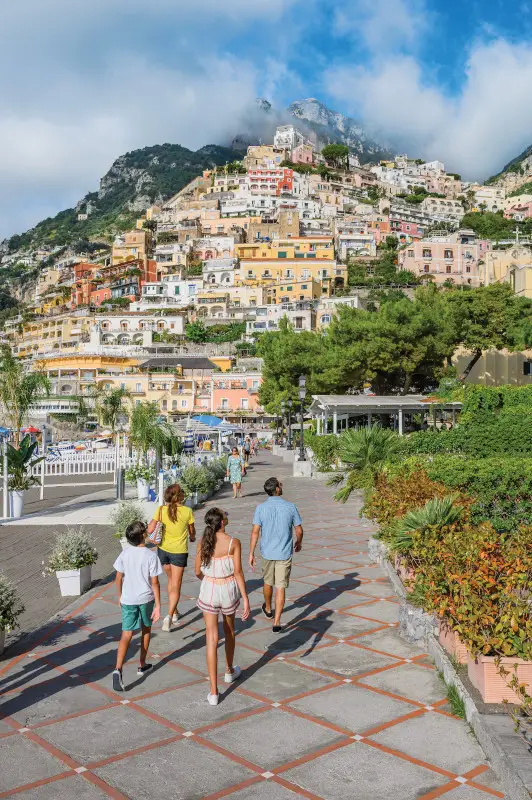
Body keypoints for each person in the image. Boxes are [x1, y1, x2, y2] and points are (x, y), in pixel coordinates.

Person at [196, 508, 250, 705]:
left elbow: (196, 571)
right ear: (221, 522)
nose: (228, 515)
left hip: (209, 588)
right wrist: (245, 598)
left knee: (211, 638)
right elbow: (238, 572)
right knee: (229, 631)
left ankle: (213, 692)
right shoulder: (234, 542)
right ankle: (228, 670)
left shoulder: (203, 542)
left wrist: (209, 579)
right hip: (227, 589)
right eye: (225, 514)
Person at [112, 521, 162, 692]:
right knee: (146, 629)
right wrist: (158, 605)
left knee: (126, 634)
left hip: (128, 599)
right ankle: (142, 664)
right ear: (143, 536)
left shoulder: (124, 554)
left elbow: (118, 578)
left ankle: (118, 669)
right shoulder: (150, 555)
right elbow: (155, 582)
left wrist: (119, 597)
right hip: (146, 598)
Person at [250, 477, 303, 632]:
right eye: (280, 484)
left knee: (267, 581)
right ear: (277, 489)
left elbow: (255, 532)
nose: (282, 485)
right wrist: (299, 542)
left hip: (267, 552)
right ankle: (277, 621)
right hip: (284, 553)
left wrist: (251, 553)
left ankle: (268, 607)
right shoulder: (290, 506)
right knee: (281, 586)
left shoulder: (260, 508)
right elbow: (299, 530)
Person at [146, 483, 195, 632]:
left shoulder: (161, 510)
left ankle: (174, 611)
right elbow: (192, 532)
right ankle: (169, 616)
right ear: (180, 496)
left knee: (171, 581)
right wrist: (191, 537)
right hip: (179, 552)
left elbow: (150, 529)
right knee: (176, 584)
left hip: (163, 551)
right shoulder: (187, 511)